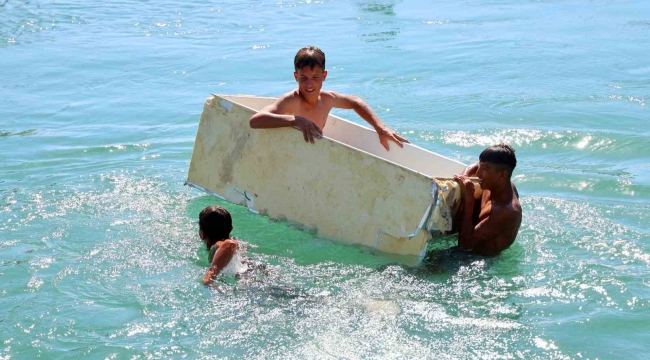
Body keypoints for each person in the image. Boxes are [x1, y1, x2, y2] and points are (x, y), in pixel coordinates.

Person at [249, 46, 409, 151]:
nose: (309, 84)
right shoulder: (292, 100)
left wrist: (380, 128)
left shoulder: (327, 99)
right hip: (290, 152)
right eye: (303, 78)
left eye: (315, 77)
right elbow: (255, 120)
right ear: (295, 76)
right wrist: (296, 120)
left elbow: (356, 102)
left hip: (314, 154)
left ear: (324, 76)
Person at [453, 144, 522, 256]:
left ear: (502, 174)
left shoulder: (506, 210)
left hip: (477, 260)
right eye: (481, 166)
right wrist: (464, 176)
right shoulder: (497, 184)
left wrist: (469, 199)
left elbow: (464, 245)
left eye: (484, 168)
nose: (478, 173)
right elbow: (476, 165)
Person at [198, 205, 240, 285]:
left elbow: (229, 244)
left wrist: (211, 273)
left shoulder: (215, 246)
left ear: (201, 234)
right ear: (231, 229)